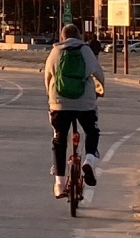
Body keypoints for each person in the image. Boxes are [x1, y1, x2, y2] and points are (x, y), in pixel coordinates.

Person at [43, 21, 106, 198]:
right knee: (91, 131)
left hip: (59, 103)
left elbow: (47, 77)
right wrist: (100, 91)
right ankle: (89, 160)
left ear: (62, 37)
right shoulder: (85, 50)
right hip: (84, 103)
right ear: (79, 36)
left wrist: (52, 98)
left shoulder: (56, 51)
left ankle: (59, 184)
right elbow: (98, 74)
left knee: (59, 139)